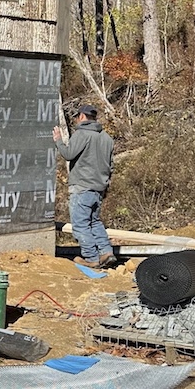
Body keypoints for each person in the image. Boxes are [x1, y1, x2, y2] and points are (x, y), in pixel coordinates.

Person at [53, 104, 116, 269]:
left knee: (80, 224)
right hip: (99, 188)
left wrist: (58, 140)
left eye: (76, 117)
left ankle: (91, 258)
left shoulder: (81, 134)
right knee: (94, 222)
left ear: (81, 116)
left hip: (82, 187)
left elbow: (68, 154)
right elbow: (111, 166)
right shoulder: (106, 138)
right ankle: (106, 252)